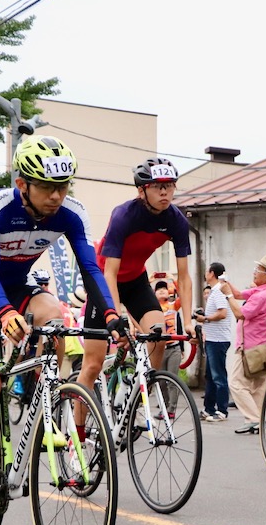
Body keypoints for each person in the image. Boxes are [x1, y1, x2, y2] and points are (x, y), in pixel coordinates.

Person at [0, 135, 127, 525]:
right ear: (22, 184)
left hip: (23, 286)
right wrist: (5, 312)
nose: (56, 196)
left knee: (55, 317)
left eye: (63, 186)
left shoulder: (71, 213)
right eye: (47, 187)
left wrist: (112, 313)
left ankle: (42, 394)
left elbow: (90, 269)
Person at [77, 158, 194, 424]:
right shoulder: (124, 215)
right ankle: (79, 437)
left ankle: (138, 394)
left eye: (170, 186)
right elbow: (110, 273)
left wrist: (188, 321)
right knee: (93, 365)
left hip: (136, 279)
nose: (165, 192)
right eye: (157, 186)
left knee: (159, 336)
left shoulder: (177, 220)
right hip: (104, 280)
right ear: (141, 191)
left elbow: (184, 277)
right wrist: (115, 315)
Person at [225, 255, 266, 435]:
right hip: (262, 347)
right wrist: (227, 284)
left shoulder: (261, 295)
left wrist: (226, 294)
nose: (254, 273)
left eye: (259, 270)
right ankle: (257, 421)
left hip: (249, 347)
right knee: (257, 387)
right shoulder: (264, 291)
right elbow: (239, 295)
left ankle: (254, 419)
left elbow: (240, 313)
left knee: (236, 383)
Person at [198, 263, 233, 422]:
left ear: (212, 273)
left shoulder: (218, 290)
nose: (205, 273)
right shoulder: (215, 290)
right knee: (210, 376)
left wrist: (205, 318)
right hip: (212, 339)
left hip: (218, 340)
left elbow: (223, 313)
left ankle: (222, 411)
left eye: (207, 271)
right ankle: (209, 409)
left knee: (218, 376)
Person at [154, 280, 185, 417]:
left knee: (172, 380)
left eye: (164, 289)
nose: (161, 291)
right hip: (159, 349)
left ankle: (171, 409)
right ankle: (165, 407)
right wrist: (149, 279)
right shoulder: (153, 308)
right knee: (160, 381)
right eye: (158, 289)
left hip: (174, 347)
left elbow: (183, 295)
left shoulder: (173, 306)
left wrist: (172, 279)